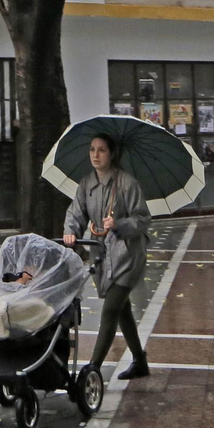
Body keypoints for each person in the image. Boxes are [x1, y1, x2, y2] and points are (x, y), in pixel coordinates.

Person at [63, 133, 151, 381]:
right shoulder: (86, 184)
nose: (95, 155)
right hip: (102, 255)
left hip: (127, 256)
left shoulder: (127, 183)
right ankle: (140, 361)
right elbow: (75, 213)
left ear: (111, 154)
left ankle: (93, 369)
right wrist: (71, 232)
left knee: (111, 309)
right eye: (92, 149)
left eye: (101, 150)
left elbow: (143, 219)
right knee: (122, 311)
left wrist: (120, 223)